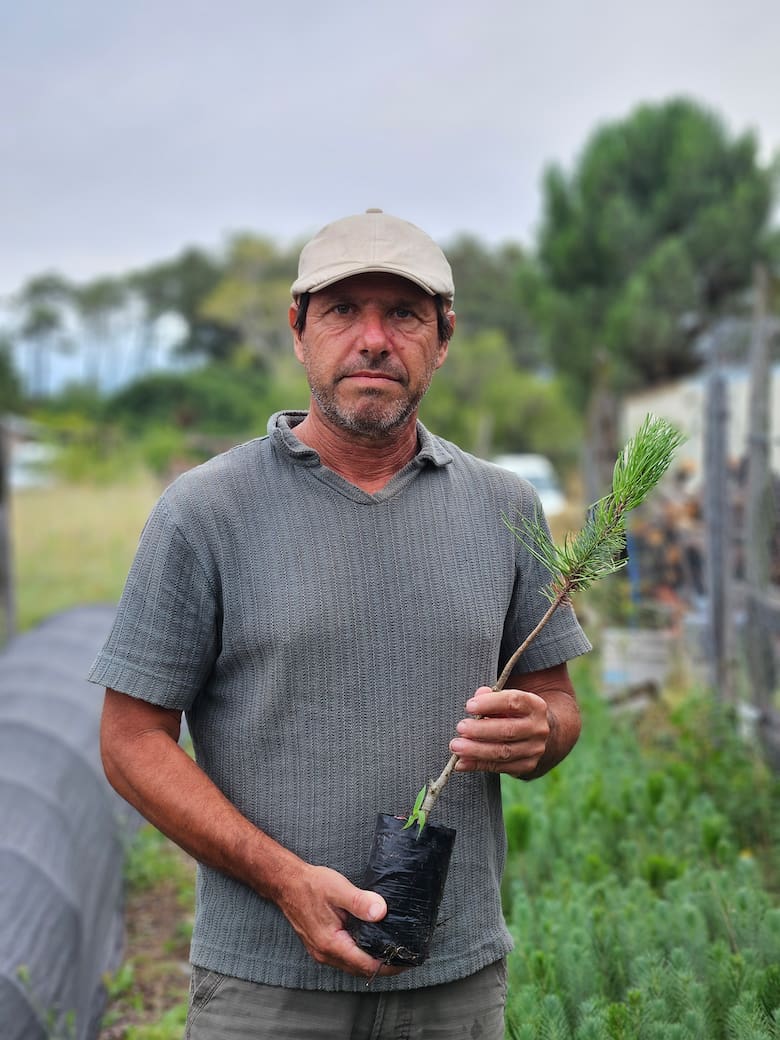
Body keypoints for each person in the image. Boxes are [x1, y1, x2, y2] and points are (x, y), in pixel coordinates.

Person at [91, 208, 591, 1039]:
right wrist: (284, 879)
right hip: (265, 991)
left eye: (402, 314)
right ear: (298, 330)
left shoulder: (507, 507)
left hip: (454, 986)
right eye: (342, 311)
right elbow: (130, 739)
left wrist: (543, 732)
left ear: (443, 337)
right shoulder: (204, 512)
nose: (372, 339)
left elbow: (559, 706)